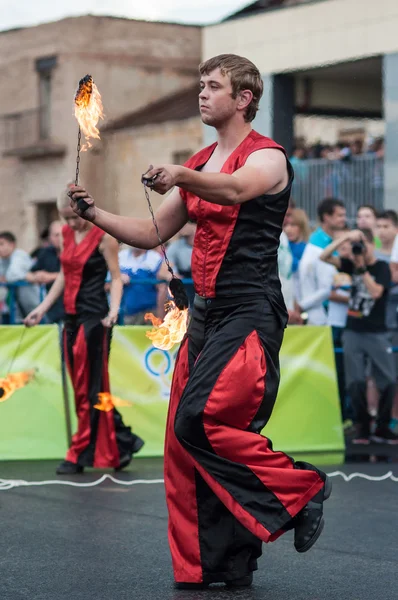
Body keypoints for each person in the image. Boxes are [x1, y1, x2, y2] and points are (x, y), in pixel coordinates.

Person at [68, 53, 331, 589]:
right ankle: (217, 564)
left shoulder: (269, 158)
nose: (203, 94)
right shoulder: (203, 159)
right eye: (201, 85)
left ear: (244, 99)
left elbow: (234, 190)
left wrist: (183, 174)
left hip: (250, 312)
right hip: (205, 316)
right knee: (182, 444)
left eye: (214, 86)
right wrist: (93, 212)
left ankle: (302, 491)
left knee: (202, 422)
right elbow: (150, 233)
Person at [23, 190, 144, 474]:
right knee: (86, 387)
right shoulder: (66, 234)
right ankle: (123, 441)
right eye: (66, 218)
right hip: (71, 317)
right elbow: (66, 274)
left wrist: (114, 310)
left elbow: (115, 278)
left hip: (95, 319)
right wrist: (42, 308)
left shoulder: (104, 236)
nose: (73, 223)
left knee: (89, 387)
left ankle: (81, 452)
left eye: (74, 216)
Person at [320, 228, 398, 445]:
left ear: (371, 245)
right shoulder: (350, 264)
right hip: (353, 330)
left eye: (363, 244)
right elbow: (323, 256)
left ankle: (382, 426)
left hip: (377, 332)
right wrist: (345, 238)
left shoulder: (381, 267)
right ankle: (363, 427)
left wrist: (362, 268)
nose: (360, 249)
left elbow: (376, 292)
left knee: (389, 380)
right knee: (355, 382)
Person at [297, 198, 346, 325]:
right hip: (319, 309)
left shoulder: (338, 240)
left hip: (336, 307)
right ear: (326, 217)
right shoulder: (315, 243)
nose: (343, 219)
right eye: (339, 215)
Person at [26, 220, 65, 324]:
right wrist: (36, 277)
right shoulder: (46, 252)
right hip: (52, 307)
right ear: (50, 237)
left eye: (62, 234)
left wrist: (50, 277)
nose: (59, 238)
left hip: (74, 305)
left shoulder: (75, 251)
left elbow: (77, 274)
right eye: (56, 235)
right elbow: (29, 273)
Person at [118, 246, 169, 324]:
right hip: (126, 314)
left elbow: (161, 288)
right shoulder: (121, 256)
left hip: (150, 313)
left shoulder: (155, 258)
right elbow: (108, 285)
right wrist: (118, 277)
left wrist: (160, 318)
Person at [0, 231, 40, 322]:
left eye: (2, 244)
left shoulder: (20, 256)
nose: (0, 248)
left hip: (34, 305)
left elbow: (12, 275)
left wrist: (4, 279)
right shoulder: (3, 260)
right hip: (16, 308)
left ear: (12, 245)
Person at [284, 207, 310, 306]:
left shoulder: (309, 249)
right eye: (286, 225)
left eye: (293, 225)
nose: (288, 229)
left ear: (302, 226)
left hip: (303, 301)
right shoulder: (281, 247)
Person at [167, 222, 196, 306]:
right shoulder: (176, 246)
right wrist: (171, 274)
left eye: (184, 222)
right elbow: (164, 269)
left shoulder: (208, 244)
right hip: (187, 287)